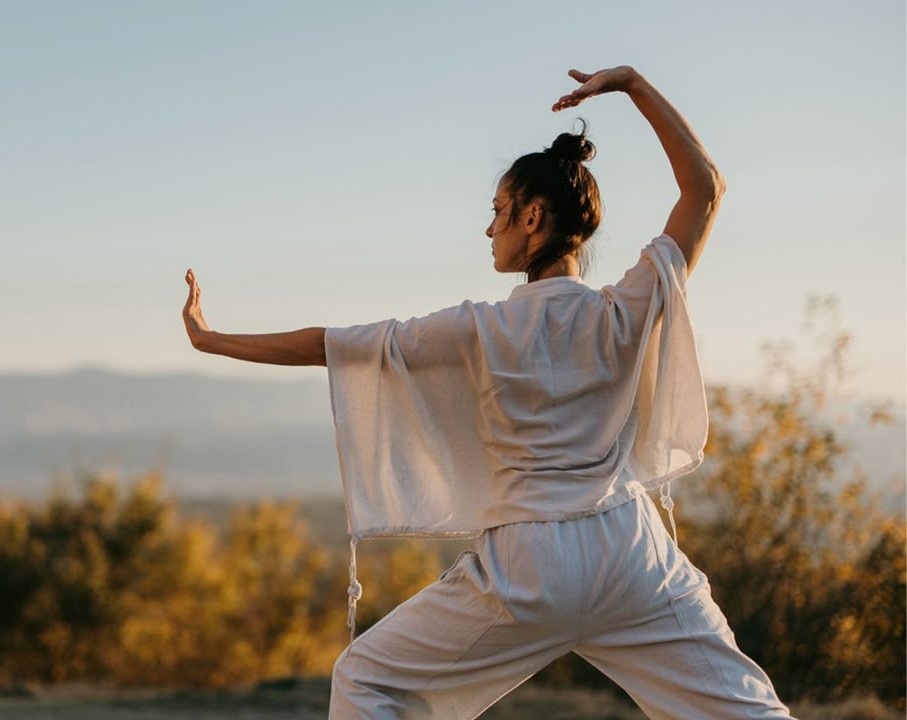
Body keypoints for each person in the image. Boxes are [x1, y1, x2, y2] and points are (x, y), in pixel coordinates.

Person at [183, 66, 794, 719]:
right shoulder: (625, 310)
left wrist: (211, 339)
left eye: (498, 212)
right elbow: (705, 189)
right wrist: (633, 85)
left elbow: (329, 344)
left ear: (533, 216)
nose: (489, 229)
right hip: (630, 555)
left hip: (530, 566)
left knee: (367, 680)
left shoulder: (475, 329)